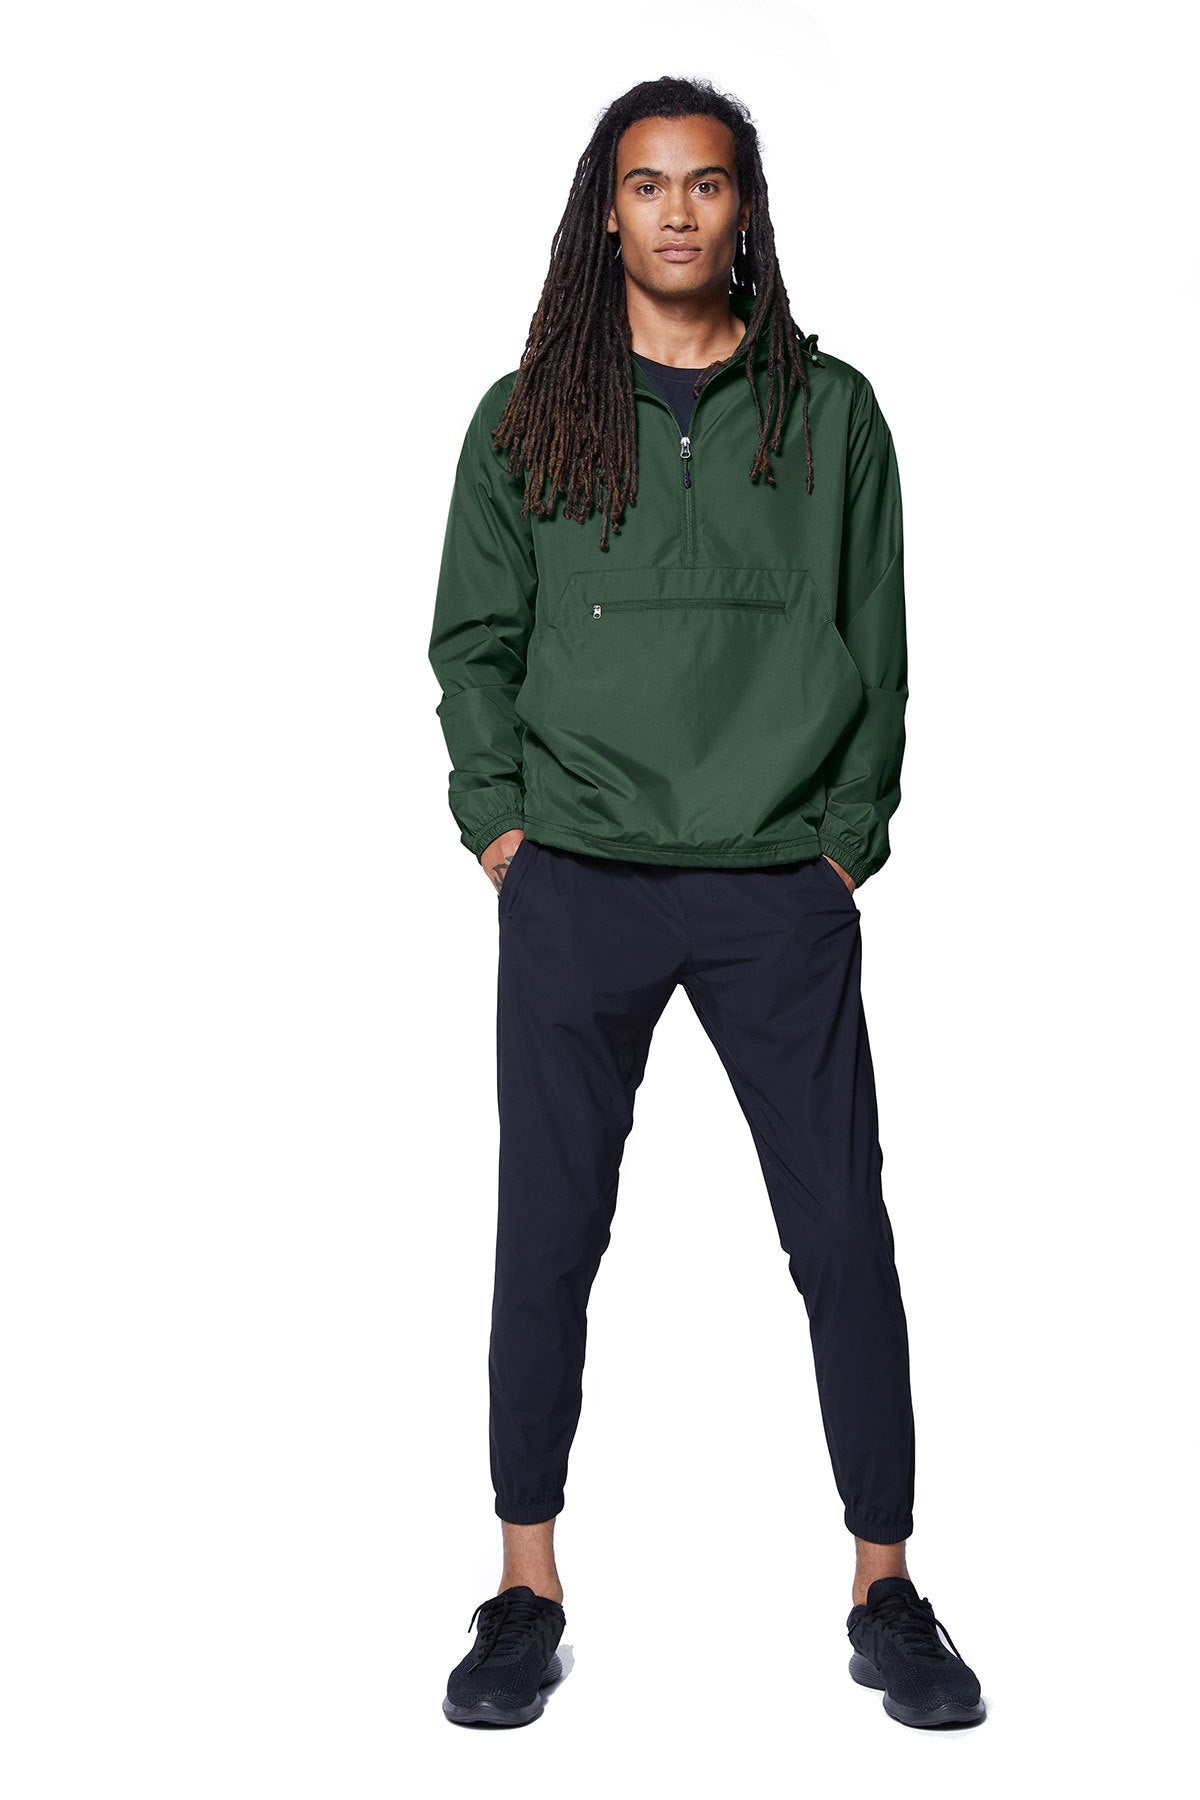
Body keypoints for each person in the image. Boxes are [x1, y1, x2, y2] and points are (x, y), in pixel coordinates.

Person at [427, 74, 986, 1731]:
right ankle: (524, 1587)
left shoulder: (832, 414)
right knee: (547, 1234)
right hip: (581, 879)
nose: (678, 210)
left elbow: (879, 641)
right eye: (647, 183)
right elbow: (474, 642)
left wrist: (845, 842)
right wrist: (502, 830)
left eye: (708, 182)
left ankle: (885, 1585)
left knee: (842, 1234)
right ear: (605, 211)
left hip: (775, 890)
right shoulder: (528, 416)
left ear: (746, 207)